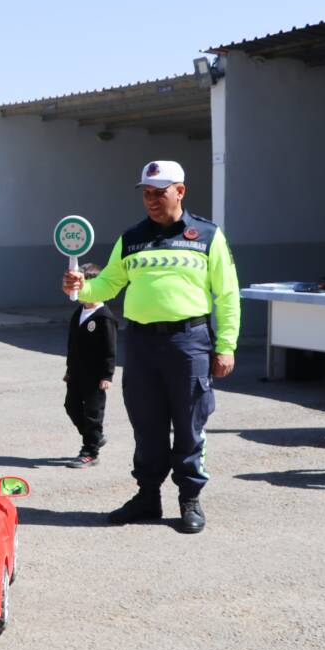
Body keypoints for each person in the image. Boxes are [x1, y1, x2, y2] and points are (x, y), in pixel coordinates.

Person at [62, 160, 240, 533]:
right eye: (146, 193)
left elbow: (226, 295)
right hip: (141, 342)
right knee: (147, 424)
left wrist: (226, 346)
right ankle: (147, 496)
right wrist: (79, 288)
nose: (152, 201)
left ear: (180, 191)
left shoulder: (208, 235)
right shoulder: (132, 238)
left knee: (190, 424)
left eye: (159, 193)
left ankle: (189, 498)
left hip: (189, 342)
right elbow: (107, 285)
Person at [63, 263, 118, 469]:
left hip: (95, 377)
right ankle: (94, 437)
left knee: (93, 414)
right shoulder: (79, 313)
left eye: (81, 286)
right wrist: (69, 370)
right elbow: (72, 344)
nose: (77, 291)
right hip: (77, 373)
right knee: (71, 406)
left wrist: (107, 375)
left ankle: (90, 452)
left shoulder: (104, 317)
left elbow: (110, 349)